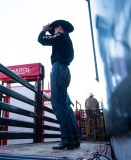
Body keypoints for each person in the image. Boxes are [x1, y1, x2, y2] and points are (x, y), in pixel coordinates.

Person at [38, 20, 80, 150]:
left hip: (59, 69)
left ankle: (67, 139)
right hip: (64, 70)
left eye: (55, 28)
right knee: (66, 105)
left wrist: (43, 30)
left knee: (57, 104)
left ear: (60, 28)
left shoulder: (61, 36)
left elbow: (42, 40)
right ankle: (74, 139)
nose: (54, 30)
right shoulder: (66, 39)